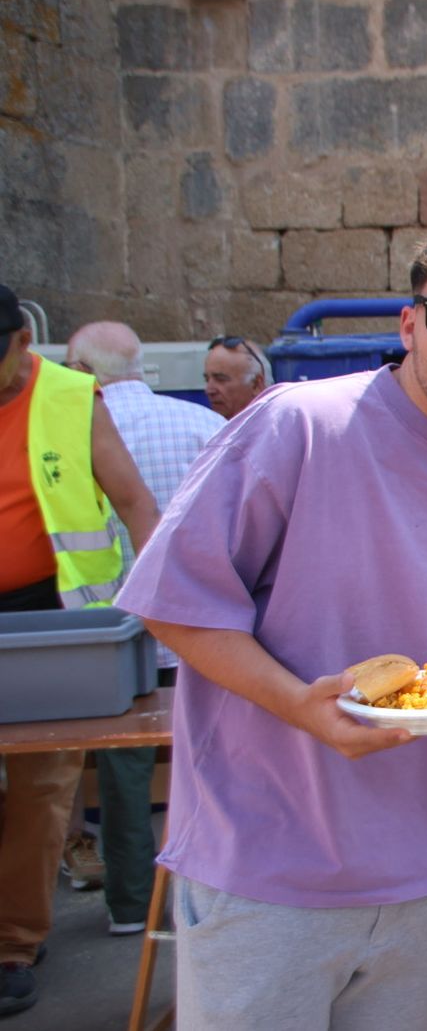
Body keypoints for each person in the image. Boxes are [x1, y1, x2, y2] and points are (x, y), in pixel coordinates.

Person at [114, 219, 427, 1029]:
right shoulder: (297, 423)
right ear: (409, 322)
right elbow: (174, 601)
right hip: (265, 867)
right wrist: (296, 704)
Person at [0, 285, 160, 1019]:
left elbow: (133, 502)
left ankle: (13, 943)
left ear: (20, 344)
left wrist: (164, 606)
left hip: (54, 622)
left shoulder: (71, 397)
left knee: (40, 792)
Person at [63, 322, 224, 937]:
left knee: (124, 776)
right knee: (217, 763)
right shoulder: (203, 426)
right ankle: (213, 898)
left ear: (80, 370)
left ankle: (132, 905)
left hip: (110, 636)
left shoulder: (70, 429)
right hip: (206, 633)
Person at [201, 335, 269, 419]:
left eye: (220, 379)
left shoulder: (278, 429)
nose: (209, 390)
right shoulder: (203, 427)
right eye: (207, 380)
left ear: (255, 384)